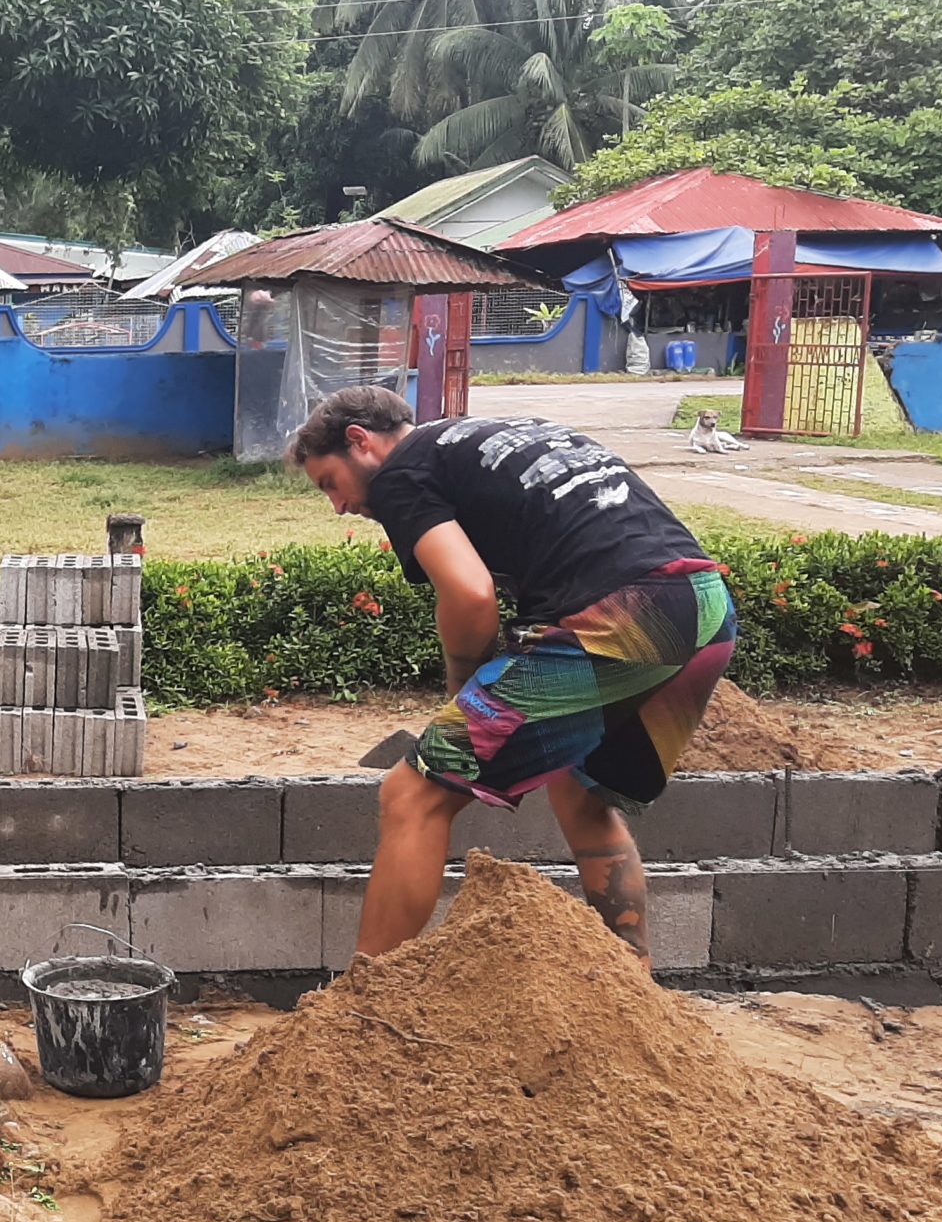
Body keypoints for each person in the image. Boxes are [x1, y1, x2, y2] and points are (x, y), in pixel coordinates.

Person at [288, 386, 736, 967]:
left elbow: (470, 594)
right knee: (582, 795)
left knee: (411, 795)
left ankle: (359, 1005)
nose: (339, 506)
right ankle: (632, 989)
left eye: (330, 483)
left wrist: (463, 689)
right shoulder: (487, 437)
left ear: (361, 443)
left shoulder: (402, 471)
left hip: (628, 613)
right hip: (704, 608)